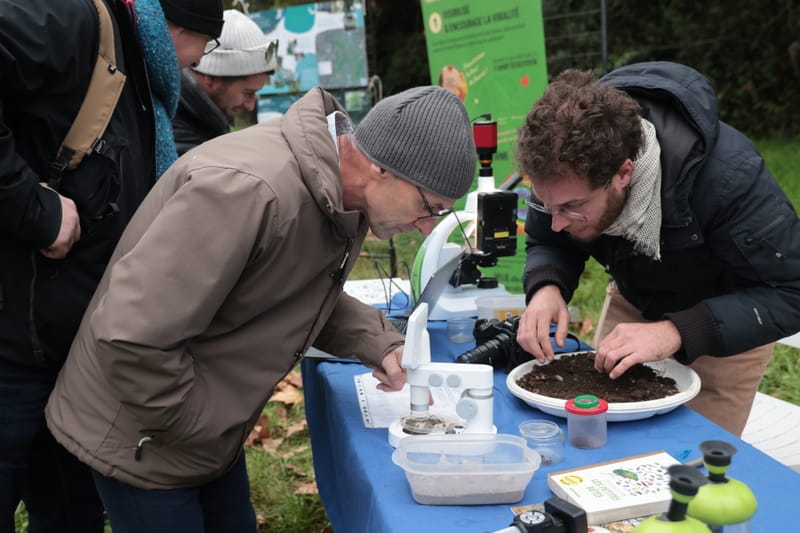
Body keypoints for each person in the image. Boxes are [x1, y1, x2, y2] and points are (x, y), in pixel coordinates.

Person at [44, 85, 476, 532]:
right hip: (143, 438)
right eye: (429, 208)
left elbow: (292, 287)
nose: (426, 229)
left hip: (198, 432)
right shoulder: (245, 191)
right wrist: (199, 422)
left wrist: (379, 342)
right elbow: (131, 334)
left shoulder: (337, 191)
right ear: (379, 166)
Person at [0, 0, 223, 531]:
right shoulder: (70, 19)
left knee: (71, 513)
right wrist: (34, 209)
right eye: (205, 48)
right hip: (12, 348)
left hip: (64, 349)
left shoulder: (134, 54)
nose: (198, 66)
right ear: (182, 27)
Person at [515, 62, 800, 436]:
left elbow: (792, 292)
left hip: (724, 325)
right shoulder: (561, 172)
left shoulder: (729, 180)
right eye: (545, 204)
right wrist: (546, 286)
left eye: (570, 208)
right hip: (635, 304)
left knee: (690, 465)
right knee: (606, 448)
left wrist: (676, 331)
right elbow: (549, 240)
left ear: (623, 174)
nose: (556, 220)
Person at [173, 9, 277, 155]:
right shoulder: (176, 131)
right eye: (248, 93)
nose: (251, 105)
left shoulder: (202, 119)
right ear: (211, 78)